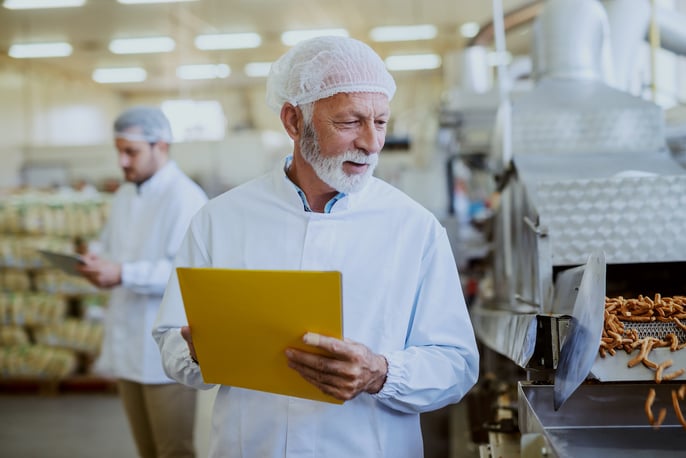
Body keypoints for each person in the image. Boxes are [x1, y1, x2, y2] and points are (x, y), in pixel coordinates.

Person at [153, 36, 479, 457]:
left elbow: (456, 363)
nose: (372, 142)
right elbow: (171, 339)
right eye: (349, 122)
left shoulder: (414, 228)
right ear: (293, 121)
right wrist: (199, 353)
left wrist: (379, 373)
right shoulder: (221, 219)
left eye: (380, 122)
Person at [78, 106, 208, 458]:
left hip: (165, 352)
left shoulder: (186, 198)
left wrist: (122, 273)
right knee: (147, 450)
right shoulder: (125, 194)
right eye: (119, 150)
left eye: (131, 151)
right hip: (127, 344)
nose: (122, 161)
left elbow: (187, 274)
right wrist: (95, 261)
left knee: (174, 450)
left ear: (160, 146)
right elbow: (108, 246)